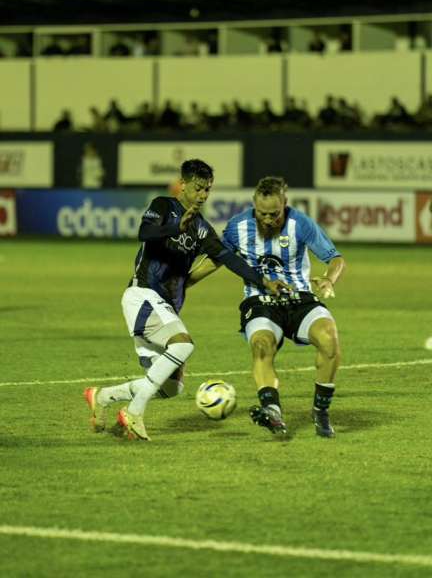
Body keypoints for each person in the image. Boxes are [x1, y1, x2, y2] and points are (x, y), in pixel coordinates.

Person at [84, 160, 288, 441]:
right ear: (183, 184)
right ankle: (133, 413)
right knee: (183, 344)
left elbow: (228, 259)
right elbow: (144, 233)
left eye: (208, 189)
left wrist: (263, 281)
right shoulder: (163, 206)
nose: (203, 195)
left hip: (165, 306)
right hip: (143, 294)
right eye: (198, 188)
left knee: (171, 387)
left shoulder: (201, 228)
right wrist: (175, 227)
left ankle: (102, 396)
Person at [190, 177, 345, 439]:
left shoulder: (301, 223)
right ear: (254, 204)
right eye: (262, 213)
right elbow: (217, 259)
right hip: (259, 301)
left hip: (300, 299)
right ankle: (272, 410)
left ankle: (321, 411)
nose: (268, 219)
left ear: (285, 204)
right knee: (262, 345)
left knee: (330, 339)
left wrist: (329, 279)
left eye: (275, 214)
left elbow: (335, 259)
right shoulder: (238, 227)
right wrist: (184, 283)